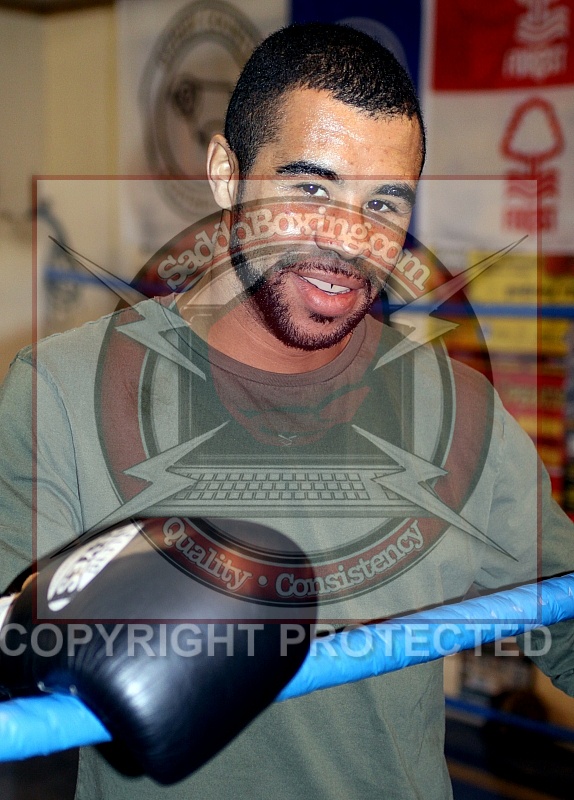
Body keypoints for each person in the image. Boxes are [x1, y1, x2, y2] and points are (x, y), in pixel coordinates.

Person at [1, 21, 573, 800]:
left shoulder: (460, 411)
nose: (350, 241)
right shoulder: (63, 392)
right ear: (226, 175)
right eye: (311, 188)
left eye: (384, 201)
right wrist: (39, 631)